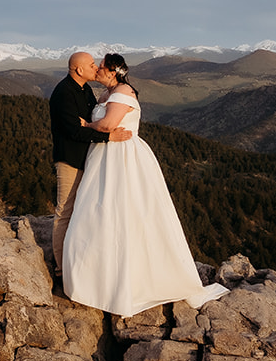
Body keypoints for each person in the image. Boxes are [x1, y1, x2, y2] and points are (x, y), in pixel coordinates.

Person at [62, 53, 229, 316]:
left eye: (101, 67)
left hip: (123, 158)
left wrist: (87, 124)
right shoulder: (107, 93)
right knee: (99, 211)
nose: (97, 70)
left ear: (114, 71)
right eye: (95, 66)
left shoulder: (124, 92)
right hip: (103, 157)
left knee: (125, 211)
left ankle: (128, 280)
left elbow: (108, 124)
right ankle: (96, 277)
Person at [49, 51, 132, 283]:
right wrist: (108, 138)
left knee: (83, 211)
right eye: (92, 64)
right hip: (70, 159)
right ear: (78, 70)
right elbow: (73, 130)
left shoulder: (85, 89)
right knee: (64, 211)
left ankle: (79, 261)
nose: (96, 68)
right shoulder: (63, 93)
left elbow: (88, 122)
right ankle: (61, 267)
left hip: (88, 158)